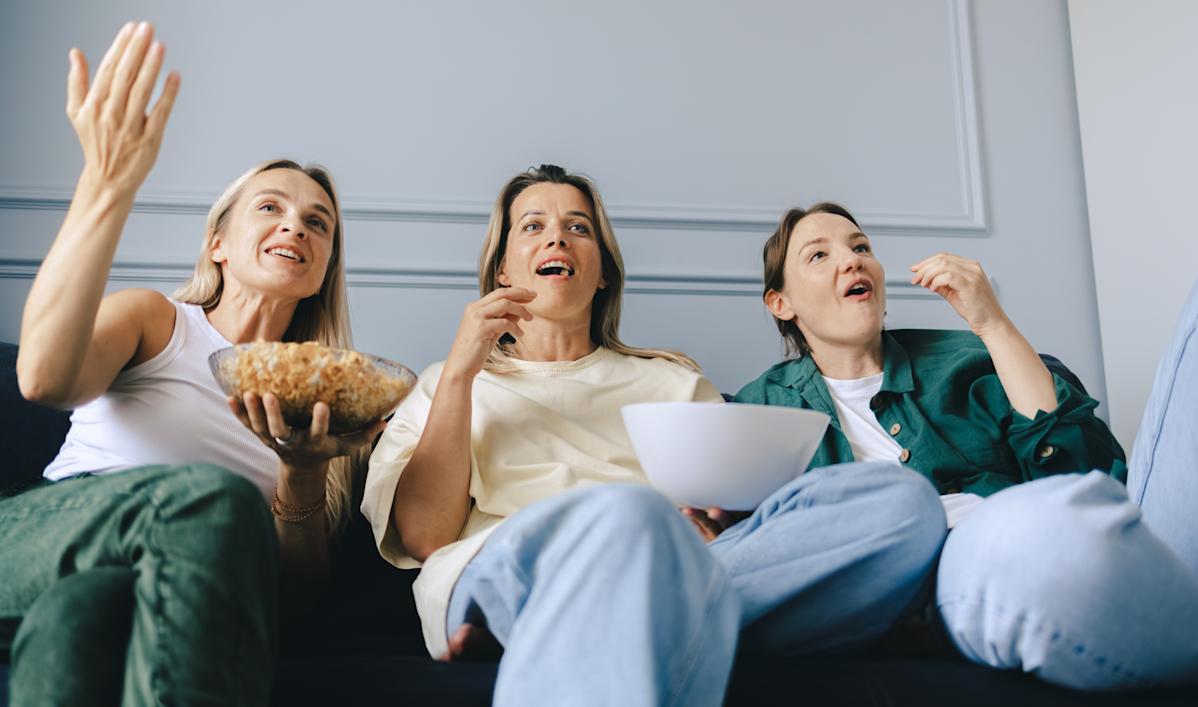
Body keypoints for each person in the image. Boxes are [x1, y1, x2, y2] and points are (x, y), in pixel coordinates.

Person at [362, 165, 948, 706]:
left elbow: (727, 528)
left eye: (578, 228)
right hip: (504, 563)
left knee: (899, 501)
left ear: (603, 272)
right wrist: (463, 370)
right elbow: (424, 537)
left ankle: (565, 628)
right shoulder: (447, 383)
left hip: (673, 570)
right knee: (628, 515)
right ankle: (596, 609)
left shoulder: (673, 381)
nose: (557, 238)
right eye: (533, 226)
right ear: (503, 271)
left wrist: (718, 526)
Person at [2, 22, 381, 705]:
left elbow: (292, 604)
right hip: (39, 532)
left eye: (318, 222)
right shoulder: (156, 321)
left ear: (324, 268)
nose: (296, 225)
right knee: (217, 497)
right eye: (271, 207)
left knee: (80, 617)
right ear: (218, 244)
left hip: (157, 591)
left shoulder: (334, 405)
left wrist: (300, 473)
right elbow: (44, 378)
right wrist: (107, 183)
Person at [735, 201, 1198, 689]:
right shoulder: (762, 408)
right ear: (780, 303)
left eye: (860, 247)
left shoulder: (970, 359)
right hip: (951, 575)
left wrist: (993, 325)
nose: (852, 260)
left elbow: (1094, 477)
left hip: (1088, 528)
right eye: (818, 256)